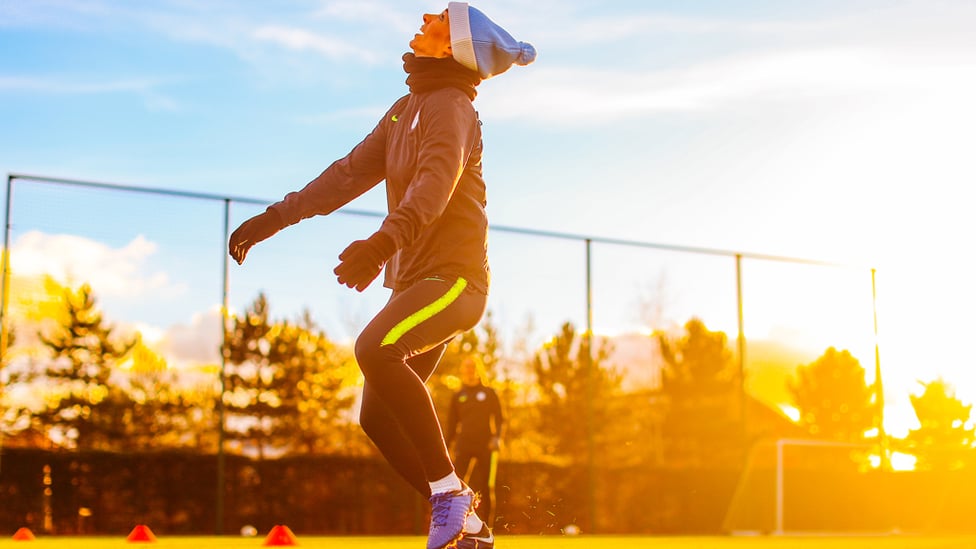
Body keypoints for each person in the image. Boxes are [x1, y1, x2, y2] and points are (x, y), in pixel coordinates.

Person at [227, 4, 534, 549]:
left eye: (440, 16)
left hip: (457, 282)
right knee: (376, 416)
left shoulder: (452, 108)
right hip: (416, 282)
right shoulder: (405, 109)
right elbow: (348, 173)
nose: (425, 14)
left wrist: (381, 244)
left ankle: (448, 495)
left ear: (453, 44)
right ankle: (474, 527)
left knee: (375, 348)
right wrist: (277, 216)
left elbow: (434, 188)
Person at [446, 356, 503, 529]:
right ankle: (458, 527)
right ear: (462, 371)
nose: (469, 370)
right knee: (459, 486)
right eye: (466, 367)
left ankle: (488, 528)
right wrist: (446, 448)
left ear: (478, 369)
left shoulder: (489, 393)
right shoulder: (458, 396)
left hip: (486, 445)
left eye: (472, 367)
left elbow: (500, 419)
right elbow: (451, 425)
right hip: (464, 445)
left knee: (487, 486)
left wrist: (497, 437)